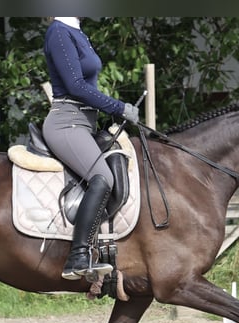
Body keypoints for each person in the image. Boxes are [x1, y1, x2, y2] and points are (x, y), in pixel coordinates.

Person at [42, 17, 140, 280]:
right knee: (103, 177)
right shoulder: (59, 31)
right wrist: (118, 107)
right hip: (66, 123)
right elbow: (75, 86)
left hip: (85, 123)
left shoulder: (78, 32)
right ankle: (78, 257)